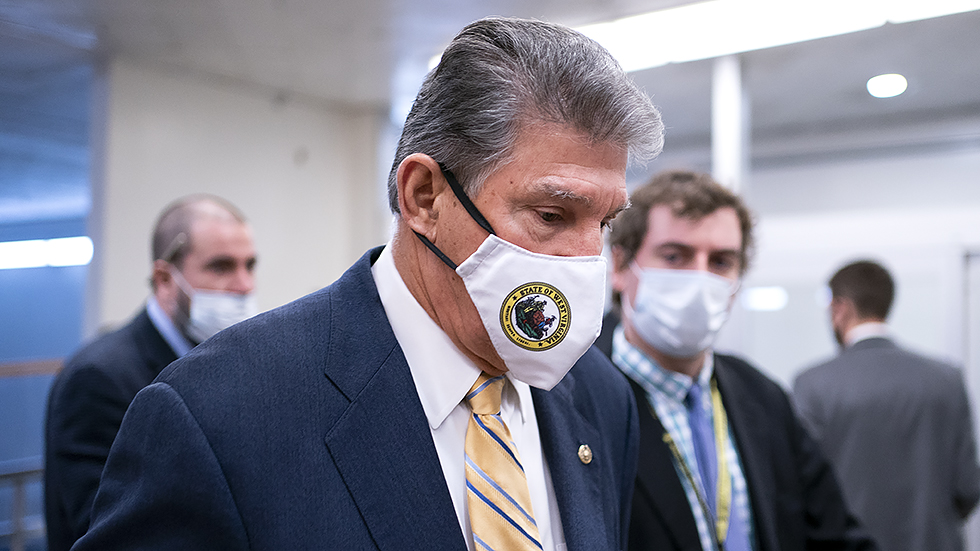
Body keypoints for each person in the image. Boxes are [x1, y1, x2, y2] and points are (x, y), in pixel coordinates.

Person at [71, 17, 664, 551]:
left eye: (606, 223)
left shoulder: (600, 398)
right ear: (424, 197)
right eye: (551, 216)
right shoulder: (219, 415)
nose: (588, 261)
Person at [596, 169, 875, 551]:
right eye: (675, 255)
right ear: (621, 266)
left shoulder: (762, 396)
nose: (699, 279)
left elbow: (835, 534)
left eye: (721, 262)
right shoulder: (576, 397)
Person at [43, 194, 258, 551]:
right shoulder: (99, 378)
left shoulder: (230, 365)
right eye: (221, 266)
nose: (244, 284)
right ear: (164, 278)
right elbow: (105, 529)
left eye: (249, 265)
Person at [793, 260, 980, 551]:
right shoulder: (947, 379)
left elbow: (804, 494)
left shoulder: (812, 384)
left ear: (839, 308)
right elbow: (968, 488)